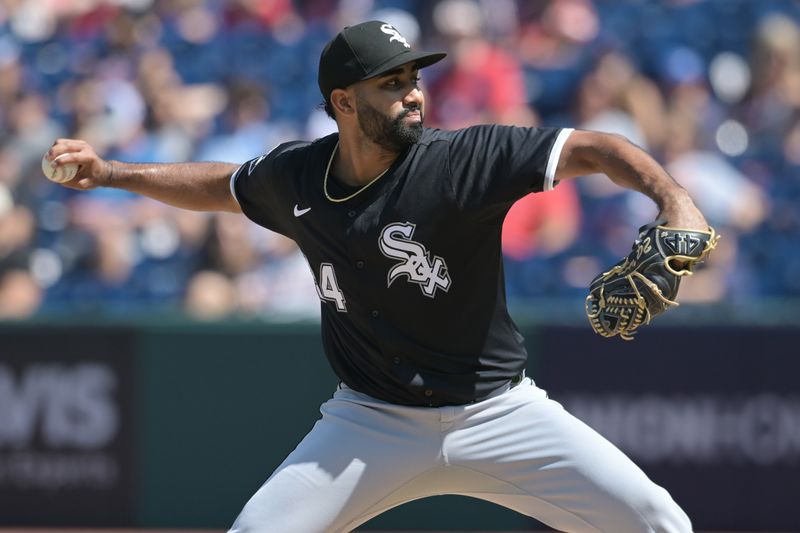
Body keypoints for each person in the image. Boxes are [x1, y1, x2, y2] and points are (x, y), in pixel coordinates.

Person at [46, 20, 708, 533]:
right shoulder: (298, 176)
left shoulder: (463, 159)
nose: (413, 92)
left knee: (659, 520)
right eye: (391, 82)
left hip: (497, 411)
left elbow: (590, 148)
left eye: (414, 77)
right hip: (370, 421)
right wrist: (111, 174)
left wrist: (671, 197)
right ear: (344, 101)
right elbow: (222, 185)